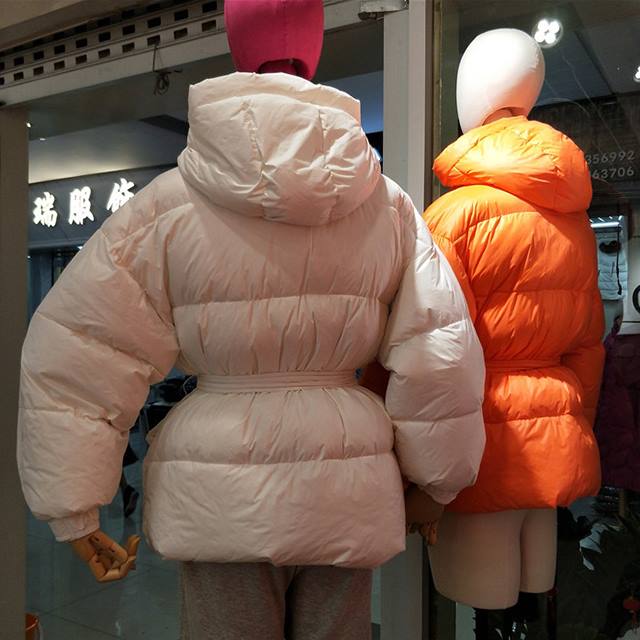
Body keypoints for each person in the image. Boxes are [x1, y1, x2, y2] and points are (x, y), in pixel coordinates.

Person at [17, 1, 485, 636]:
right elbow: (441, 350)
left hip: (219, 492)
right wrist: (437, 481)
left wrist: (72, 508)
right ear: (315, 47)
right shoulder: (388, 206)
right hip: (344, 481)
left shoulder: (166, 207)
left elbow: (78, 345)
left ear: (236, 45)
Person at [423, 28, 604, 610]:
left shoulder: (455, 216)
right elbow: (588, 345)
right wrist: (572, 426)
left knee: (482, 604)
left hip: (482, 452)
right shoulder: (574, 223)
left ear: (471, 97)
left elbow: (434, 355)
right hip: (552, 443)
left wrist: (419, 470)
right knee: (527, 602)